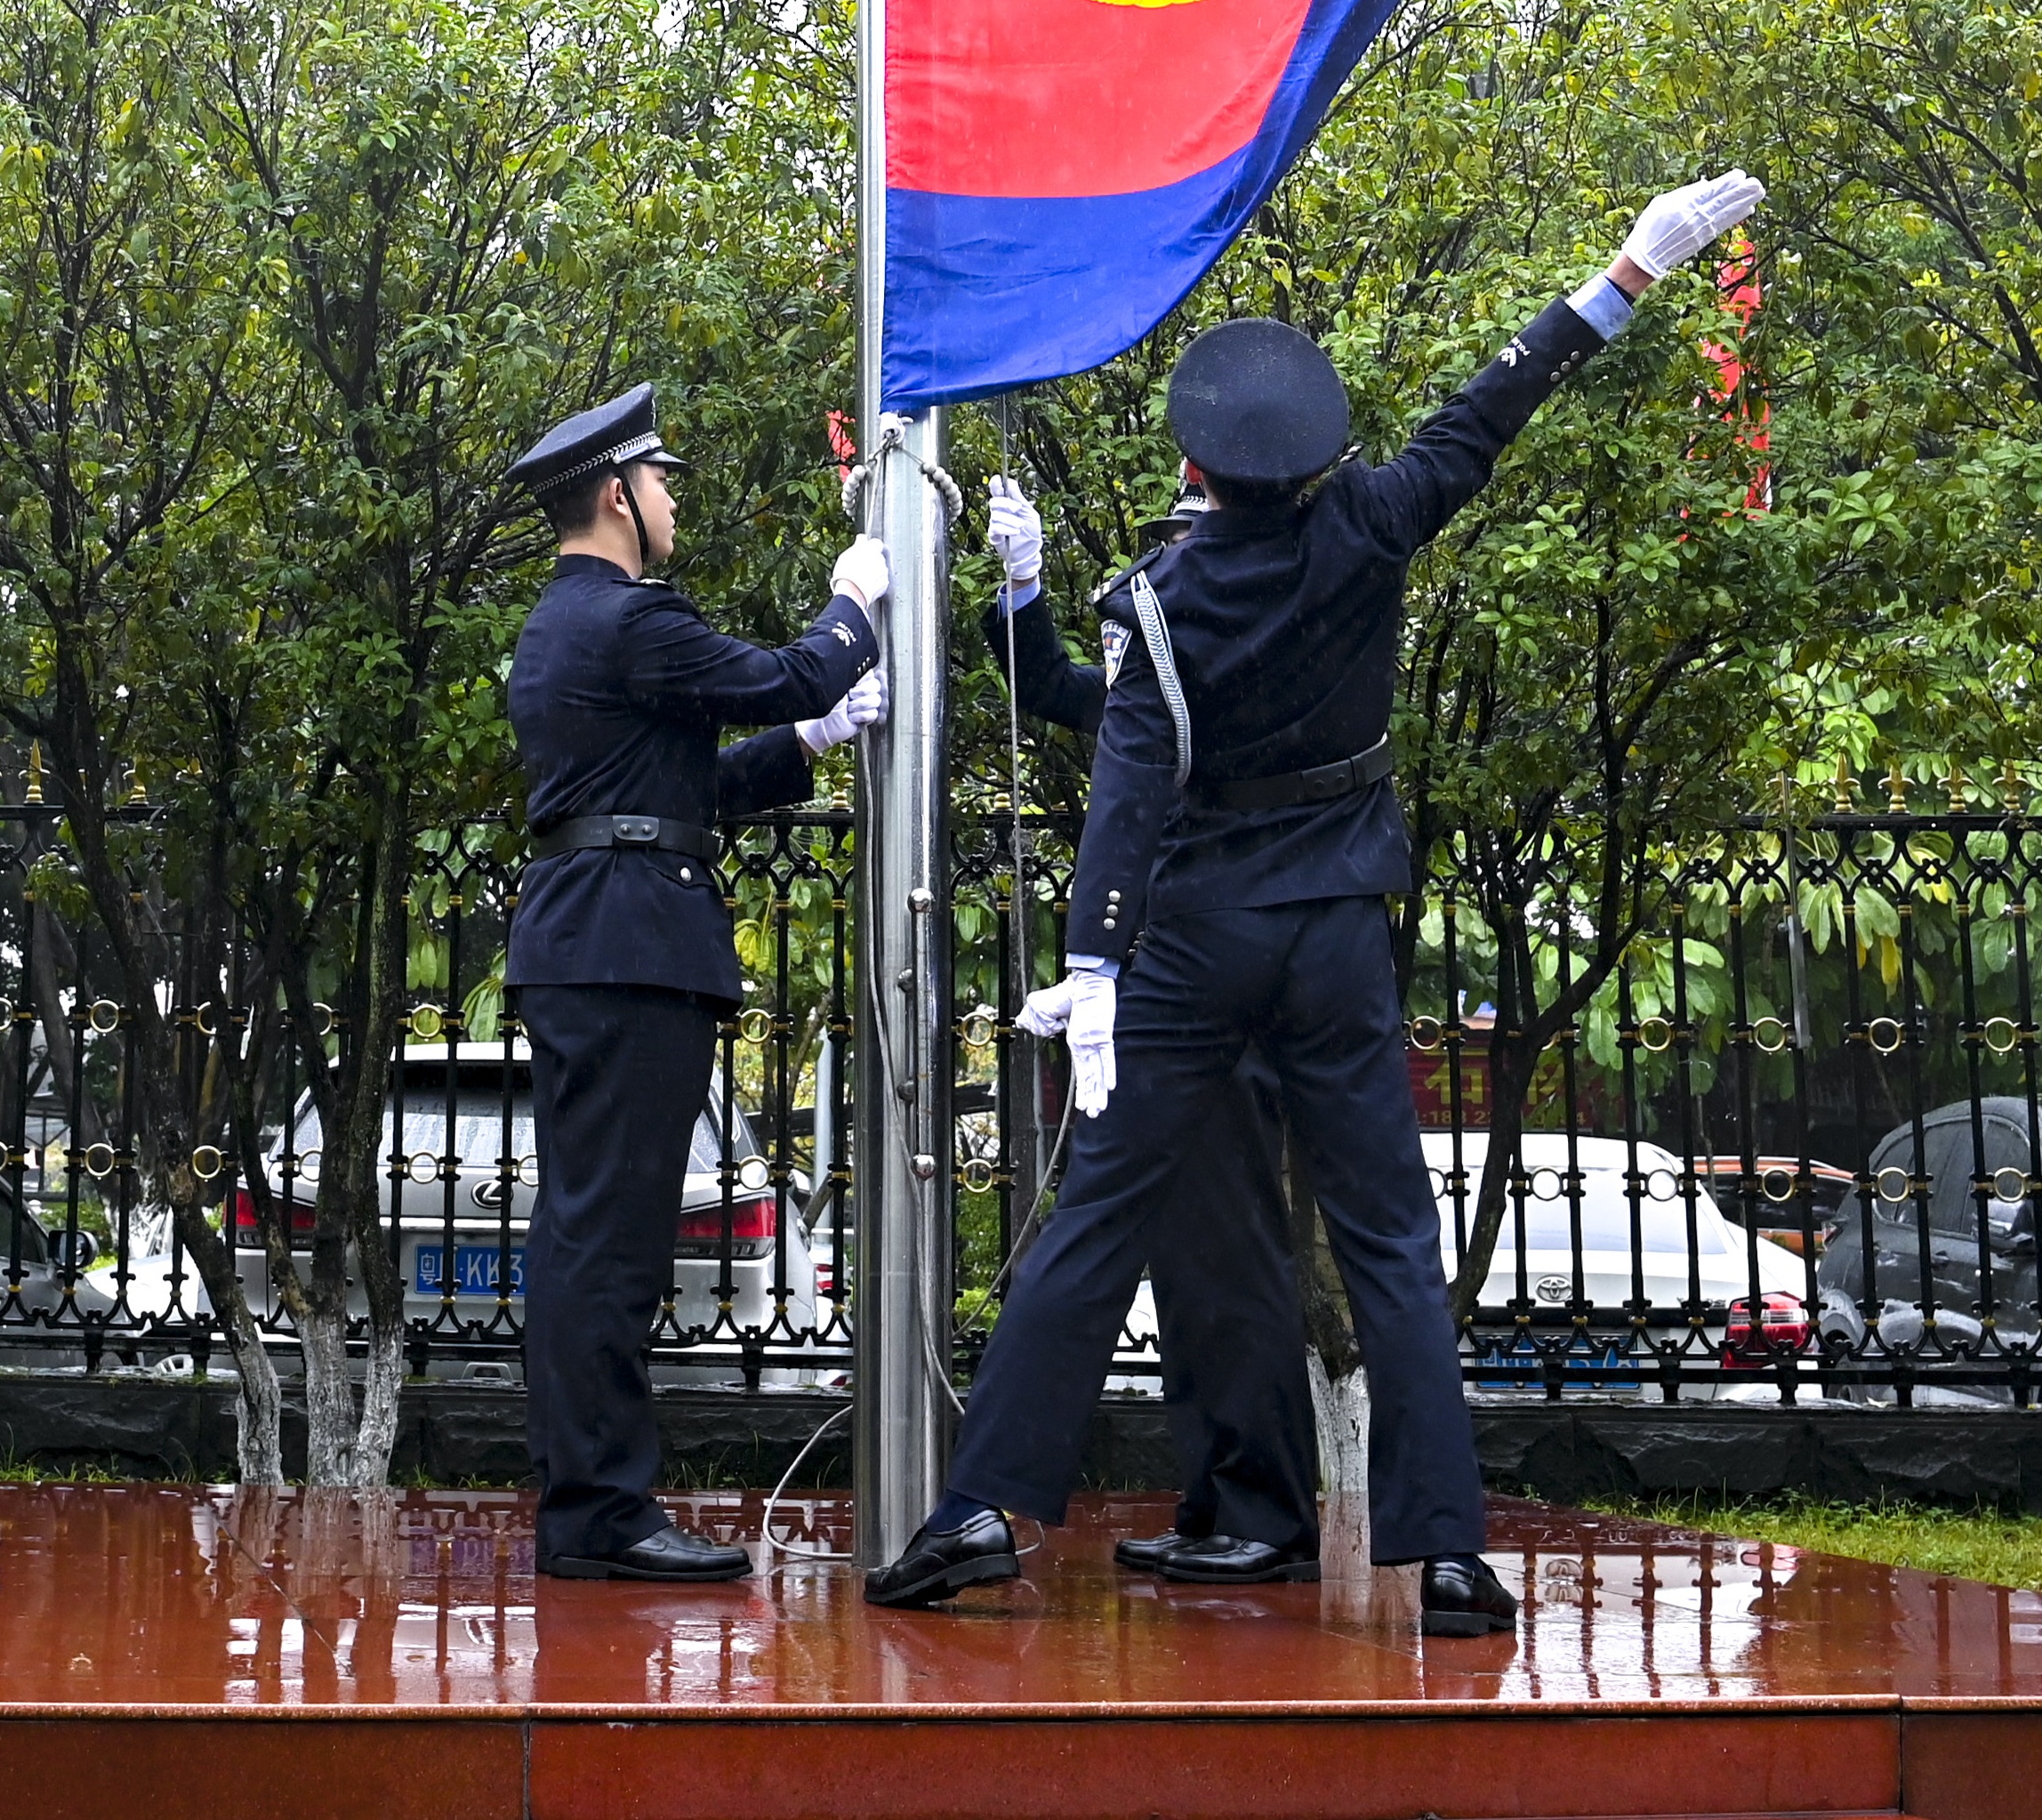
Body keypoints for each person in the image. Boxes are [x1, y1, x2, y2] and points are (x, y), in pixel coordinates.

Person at [866, 169, 1765, 1640]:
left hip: (1197, 931)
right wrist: (1621, 275)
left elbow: (1128, 786)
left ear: (1199, 473)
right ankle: (1449, 1560)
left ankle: (980, 1507)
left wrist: (1091, 956)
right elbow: (1485, 414)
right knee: (1387, 1237)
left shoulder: (1159, 599)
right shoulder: (1367, 528)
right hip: (1336, 925)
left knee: (1095, 1218)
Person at [503, 383, 886, 1582]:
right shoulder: (626, 617)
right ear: (617, 494)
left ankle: (595, 1504)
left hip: (596, 940)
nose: (672, 502)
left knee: (591, 1235)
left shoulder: (568, 625)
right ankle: (601, 1514)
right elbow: (782, 674)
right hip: (624, 947)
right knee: (607, 1245)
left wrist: (813, 744)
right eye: (662, 482)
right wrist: (854, 604)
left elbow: (687, 788)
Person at [982, 474, 1321, 1584]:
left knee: (1229, 1256)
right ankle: (1222, 1499)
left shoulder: (1242, 688)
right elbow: (1064, 688)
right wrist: (1022, 589)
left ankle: (1265, 1512)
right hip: (1163, 988)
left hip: (1215, 976)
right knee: (1191, 1261)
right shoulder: (1165, 675)